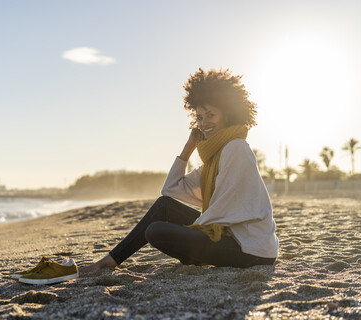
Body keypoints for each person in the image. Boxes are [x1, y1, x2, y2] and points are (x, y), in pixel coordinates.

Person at [80, 68, 279, 274]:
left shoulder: (236, 148)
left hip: (250, 249)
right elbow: (170, 190)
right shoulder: (215, 156)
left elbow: (227, 207)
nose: (204, 123)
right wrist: (188, 148)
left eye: (211, 115)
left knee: (156, 231)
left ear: (228, 114)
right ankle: (110, 261)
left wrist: (192, 230)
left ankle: (192, 255)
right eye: (200, 117)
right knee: (163, 207)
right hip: (229, 235)